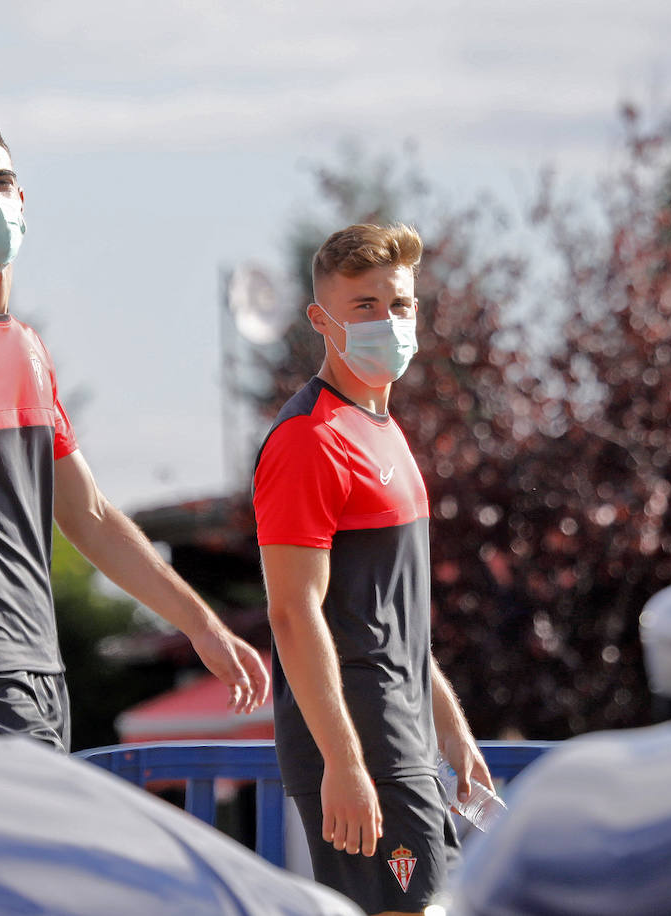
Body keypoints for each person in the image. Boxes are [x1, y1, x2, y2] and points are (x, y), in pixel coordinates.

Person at [0, 116, 268, 751]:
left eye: (3, 181)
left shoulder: (26, 347)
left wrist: (202, 625)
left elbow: (91, 515)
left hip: (41, 670)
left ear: (23, 200)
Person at [252, 223, 493, 914]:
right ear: (320, 319)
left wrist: (452, 731)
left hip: (402, 740)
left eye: (401, 305)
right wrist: (344, 762)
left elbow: (392, 620)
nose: (389, 321)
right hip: (365, 747)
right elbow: (294, 614)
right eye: (365, 306)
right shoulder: (309, 440)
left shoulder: (381, 430)